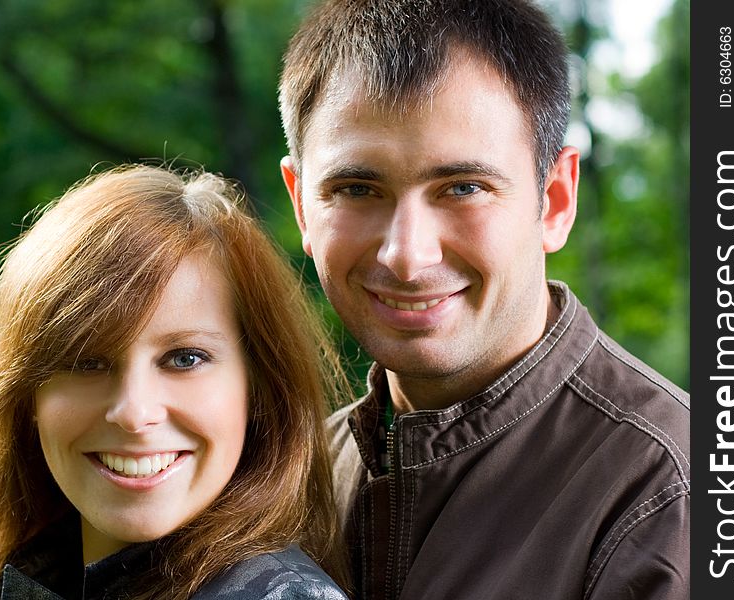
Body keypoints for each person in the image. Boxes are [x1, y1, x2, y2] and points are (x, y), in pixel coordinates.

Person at [277, 0, 690, 598]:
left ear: (554, 201)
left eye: (463, 188)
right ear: (301, 208)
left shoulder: (673, 497)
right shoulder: (288, 485)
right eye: (357, 189)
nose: (407, 255)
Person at [0, 165, 351, 599]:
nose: (133, 412)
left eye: (184, 359)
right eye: (86, 362)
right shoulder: (30, 575)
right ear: (26, 397)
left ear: (259, 387)